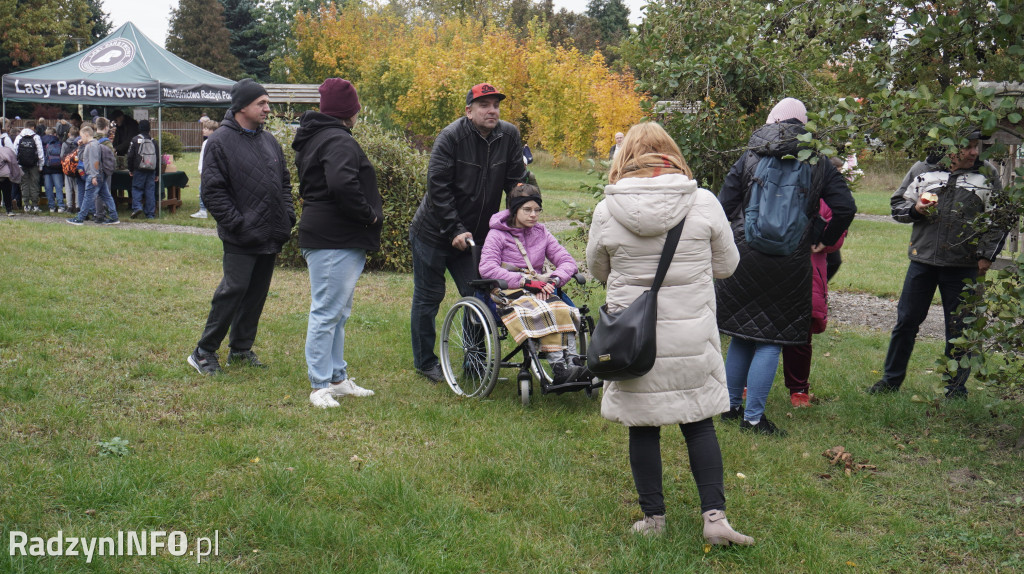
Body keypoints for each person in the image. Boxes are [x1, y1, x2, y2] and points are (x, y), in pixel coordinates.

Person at [586, 122, 752, 543]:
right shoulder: (704, 202)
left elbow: (597, 270)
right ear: (671, 153)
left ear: (625, 158)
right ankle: (715, 520)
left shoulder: (608, 211)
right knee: (698, 424)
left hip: (633, 340)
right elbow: (727, 265)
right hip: (690, 334)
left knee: (643, 426)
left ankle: (653, 521)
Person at [715, 98, 855, 436]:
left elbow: (723, 205)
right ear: (802, 125)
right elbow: (845, 208)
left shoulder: (750, 155)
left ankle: (730, 407)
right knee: (771, 338)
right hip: (790, 260)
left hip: (745, 256)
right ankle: (753, 419)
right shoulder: (817, 161)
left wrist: (737, 235)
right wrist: (821, 236)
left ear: (771, 122)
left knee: (741, 333)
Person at [868, 130, 1005, 399]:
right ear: (950, 147)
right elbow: (898, 205)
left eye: (977, 147)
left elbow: (999, 218)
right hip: (923, 261)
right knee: (906, 321)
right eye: (968, 147)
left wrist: (986, 256)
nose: (975, 152)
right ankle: (890, 381)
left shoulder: (987, 174)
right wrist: (915, 210)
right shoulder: (923, 169)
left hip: (964, 265)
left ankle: (955, 389)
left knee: (959, 329)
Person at [408, 83, 526, 383]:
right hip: (434, 232)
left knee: (479, 294)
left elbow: (515, 181)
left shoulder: (508, 135)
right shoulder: (451, 137)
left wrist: (524, 211)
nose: (492, 110)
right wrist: (454, 229)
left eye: (496, 105)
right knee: (428, 298)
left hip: (475, 237)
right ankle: (425, 363)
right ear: (468, 111)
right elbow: (438, 189)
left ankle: (475, 363)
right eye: (484, 105)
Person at [187, 78, 296, 376]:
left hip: (270, 232)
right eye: (261, 103)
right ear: (242, 106)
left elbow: (284, 182)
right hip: (240, 235)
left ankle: (241, 348)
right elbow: (213, 191)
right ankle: (204, 351)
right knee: (233, 290)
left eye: (267, 103)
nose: (267, 108)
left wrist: (287, 216)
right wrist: (238, 224)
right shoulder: (220, 141)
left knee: (257, 292)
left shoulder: (268, 140)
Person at [293, 78, 382, 407]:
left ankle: (338, 379)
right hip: (334, 237)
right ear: (351, 111)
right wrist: (368, 215)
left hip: (330, 236)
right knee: (327, 313)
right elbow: (342, 184)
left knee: (337, 312)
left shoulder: (320, 137)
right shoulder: (337, 140)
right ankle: (319, 386)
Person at [478, 183, 585, 383]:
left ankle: (574, 363)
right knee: (543, 311)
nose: (533, 215)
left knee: (563, 309)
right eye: (527, 210)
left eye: (537, 210)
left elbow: (568, 262)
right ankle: (559, 369)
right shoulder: (497, 235)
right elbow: (487, 268)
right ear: (514, 210)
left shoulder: (541, 232)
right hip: (509, 291)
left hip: (540, 289)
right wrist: (525, 282)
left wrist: (554, 280)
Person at [781, 200, 846, 407]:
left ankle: (799, 390)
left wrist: (823, 237)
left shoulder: (823, 197)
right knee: (759, 335)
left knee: (801, 336)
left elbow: (835, 240)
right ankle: (744, 385)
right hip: (770, 267)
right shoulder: (771, 186)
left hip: (807, 275)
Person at [65, 126, 118, 225]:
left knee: (88, 197)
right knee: (106, 196)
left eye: (81, 136)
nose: (81, 139)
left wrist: (93, 175)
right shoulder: (90, 145)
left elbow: (95, 161)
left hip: (94, 174)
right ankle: (114, 217)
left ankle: (80, 218)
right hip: (99, 174)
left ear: (86, 134)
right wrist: (80, 146)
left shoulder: (92, 146)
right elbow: (81, 158)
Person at [125, 119, 158, 219]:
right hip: (151, 170)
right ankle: (150, 214)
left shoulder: (135, 140)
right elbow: (157, 158)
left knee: (137, 189)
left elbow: (130, 156)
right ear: (149, 129)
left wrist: (130, 169)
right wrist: (157, 173)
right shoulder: (153, 141)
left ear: (139, 128)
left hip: (139, 170)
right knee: (150, 191)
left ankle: (137, 207)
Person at [13, 124, 44, 212]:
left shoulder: (19, 137)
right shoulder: (36, 137)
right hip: (34, 164)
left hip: (21, 164)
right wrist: (41, 165)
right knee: (34, 184)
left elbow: (14, 151)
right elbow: (40, 152)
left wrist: (17, 164)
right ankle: (35, 205)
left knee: (24, 184)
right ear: (33, 127)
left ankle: (26, 205)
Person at [191, 119, 218, 219]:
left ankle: (203, 210)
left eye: (206, 128)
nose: (203, 130)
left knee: (203, 189)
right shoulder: (208, 141)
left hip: (208, 171)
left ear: (212, 130)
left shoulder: (207, 142)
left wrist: (201, 170)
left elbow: (204, 158)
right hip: (209, 170)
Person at [40, 127, 66, 212]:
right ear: (55, 134)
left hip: (46, 168)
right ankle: (61, 206)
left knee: (48, 188)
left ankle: (51, 206)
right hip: (57, 168)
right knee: (58, 187)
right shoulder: (59, 142)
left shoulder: (42, 141)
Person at [0, 141, 23, 216]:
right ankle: (9, 210)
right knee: (7, 193)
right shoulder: (7, 151)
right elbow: (13, 163)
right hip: (5, 175)